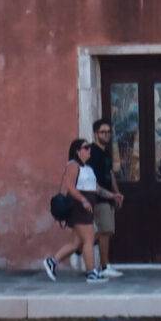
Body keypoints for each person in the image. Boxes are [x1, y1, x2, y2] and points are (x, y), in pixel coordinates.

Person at [43, 139, 106, 283]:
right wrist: (83, 200)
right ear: (78, 151)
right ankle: (91, 273)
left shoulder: (88, 168)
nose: (89, 150)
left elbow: (96, 188)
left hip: (86, 208)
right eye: (86, 148)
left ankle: (52, 262)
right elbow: (70, 186)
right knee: (89, 240)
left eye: (89, 147)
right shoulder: (73, 165)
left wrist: (112, 195)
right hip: (79, 208)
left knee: (76, 243)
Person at [89, 117, 124, 278]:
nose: (106, 135)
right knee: (105, 231)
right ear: (96, 134)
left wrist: (117, 193)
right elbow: (92, 180)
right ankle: (104, 266)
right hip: (99, 198)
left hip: (108, 197)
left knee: (107, 232)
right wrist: (109, 194)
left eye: (109, 132)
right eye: (103, 132)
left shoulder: (106, 152)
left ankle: (81, 246)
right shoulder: (92, 153)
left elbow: (110, 174)